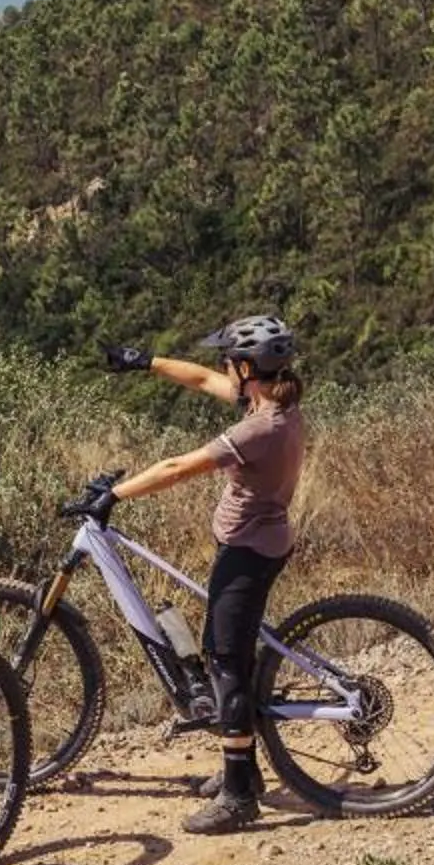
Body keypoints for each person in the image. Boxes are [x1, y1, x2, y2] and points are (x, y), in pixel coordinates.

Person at [98, 315, 306, 834]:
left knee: (225, 661)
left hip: (249, 550)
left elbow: (176, 468)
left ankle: (239, 796)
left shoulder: (259, 428)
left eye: (229, 360)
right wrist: (145, 362)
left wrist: (113, 495)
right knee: (231, 653)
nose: (223, 368)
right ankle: (246, 770)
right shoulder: (273, 403)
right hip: (259, 543)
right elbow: (201, 379)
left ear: (247, 368)